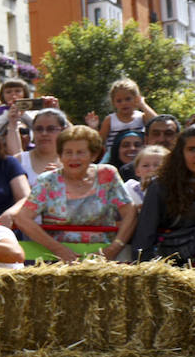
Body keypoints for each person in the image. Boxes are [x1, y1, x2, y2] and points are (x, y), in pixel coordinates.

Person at [14, 125, 136, 262]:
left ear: (93, 155)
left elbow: (130, 213)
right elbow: (22, 219)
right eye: (68, 152)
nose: (74, 158)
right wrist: (58, 249)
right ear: (60, 155)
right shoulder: (47, 180)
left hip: (102, 258)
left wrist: (113, 249)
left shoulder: (108, 174)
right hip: (57, 260)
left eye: (80, 152)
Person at [132, 126, 195, 264]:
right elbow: (145, 233)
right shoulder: (161, 185)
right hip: (174, 263)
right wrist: (142, 269)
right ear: (181, 152)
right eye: (192, 149)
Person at [89, 78, 156, 152]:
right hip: (115, 157)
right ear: (113, 103)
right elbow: (100, 141)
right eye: (119, 101)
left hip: (138, 155)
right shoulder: (110, 120)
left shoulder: (141, 117)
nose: (124, 103)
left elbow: (157, 123)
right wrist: (94, 128)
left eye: (128, 99)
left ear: (136, 99)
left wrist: (143, 105)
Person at [17, 107, 68, 185]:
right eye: (39, 129)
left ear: (63, 131)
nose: (44, 133)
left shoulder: (72, 162)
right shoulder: (18, 161)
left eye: (51, 129)